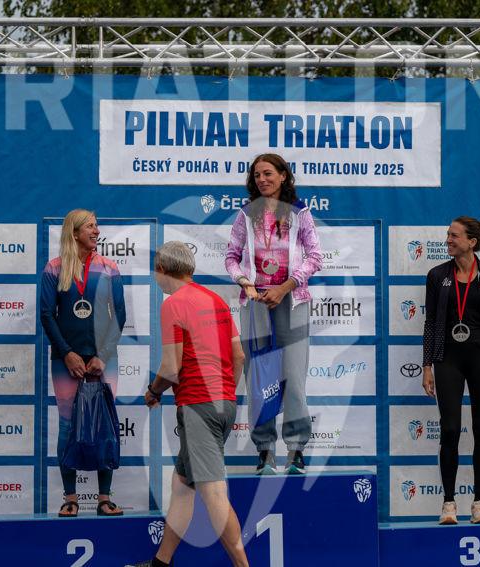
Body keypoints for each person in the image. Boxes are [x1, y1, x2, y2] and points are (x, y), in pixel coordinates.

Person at [130, 241, 248, 567]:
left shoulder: (173, 304)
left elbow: (171, 368)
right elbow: (238, 356)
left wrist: (153, 392)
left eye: (155, 271)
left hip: (198, 406)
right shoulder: (216, 300)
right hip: (224, 404)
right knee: (182, 485)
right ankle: (161, 563)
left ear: (162, 270)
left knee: (213, 494)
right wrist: (224, 393)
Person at [225, 153, 322, 475]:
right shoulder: (245, 214)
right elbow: (231, 257)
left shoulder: (300, 212)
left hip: (292, 301)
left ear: (283, 176)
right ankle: (265, 451)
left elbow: (315, 257)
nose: (262, 179)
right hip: (255, 304)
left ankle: (296, 451)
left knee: (293, 378)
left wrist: (286, 286)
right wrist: (245, 283)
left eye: (268, 173)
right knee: (259, 379)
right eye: (257, 175)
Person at [421, 216, 480, 525]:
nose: (448, 240)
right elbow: (430, 324)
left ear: (472, 242)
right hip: (447, 358)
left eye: (454, 235)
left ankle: (479, 503)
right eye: (448, 234)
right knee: (449, 429)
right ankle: (448, 504)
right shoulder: (437, 276)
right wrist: (427, 365)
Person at [40, 209, 126, 517]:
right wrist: (67, 353)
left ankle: (104, 498)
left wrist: (103, 354)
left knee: (104, 423)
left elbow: (120, 315)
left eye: (96, 225)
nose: (96, 230)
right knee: (67, 425)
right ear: (74, 232)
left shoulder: (109, 267)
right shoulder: (54, 268)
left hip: (104, 361)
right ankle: (71, 498)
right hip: (66, 362)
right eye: (90, 226)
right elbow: (47, 315)